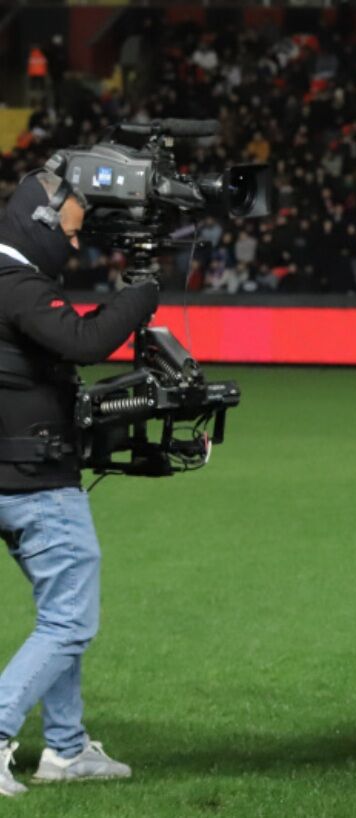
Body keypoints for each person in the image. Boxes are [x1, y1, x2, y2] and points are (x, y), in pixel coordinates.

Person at [0, 170, 157, 796]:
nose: (72, 248)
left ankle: (65, 749)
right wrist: (140, 296)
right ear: (37, 222)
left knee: (54, 613)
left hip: (13, 472)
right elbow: (85, 339)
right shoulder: (16, 285)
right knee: (68, 621)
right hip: (37, 480)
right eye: (67, 235)